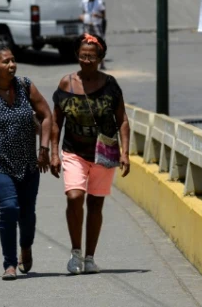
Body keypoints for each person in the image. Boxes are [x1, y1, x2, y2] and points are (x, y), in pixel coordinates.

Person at [0, 45, 53, 280]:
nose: (12, 65)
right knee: (9, 208)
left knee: (27, 213)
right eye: (6, 62)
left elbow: (46, 115)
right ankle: (10, 264)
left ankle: (26, 246)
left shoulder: (25, 86)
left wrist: (44, 148)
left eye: (13, 60)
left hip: (28, 162)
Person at [51, 33, 130, 275]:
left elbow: (122, 121)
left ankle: (90, 258)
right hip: (74, 150)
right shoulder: (66, 83)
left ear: (100, 58)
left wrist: (125, 152)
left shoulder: (111, 85)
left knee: (95, 204)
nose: (87, 60)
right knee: (74, 197)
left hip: (104, 152)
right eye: (83, 56)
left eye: (92, 57)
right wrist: (53, 152)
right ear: (77, 56)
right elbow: (56, 122)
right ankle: (75, 253)